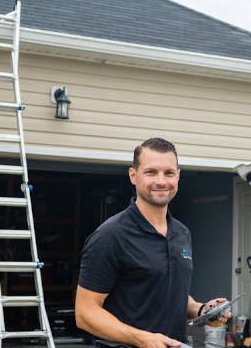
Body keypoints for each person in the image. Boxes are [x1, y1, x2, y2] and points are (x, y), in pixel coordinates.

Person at [75, 138, 230, 348]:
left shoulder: (181, 233)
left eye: (169, 173)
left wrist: (201, 310)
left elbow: (168, 292)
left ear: (178, 176)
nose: (161, 181)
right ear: (133, 175)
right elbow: (85, 314)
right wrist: (143, 338)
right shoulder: (111, 236)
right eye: (151, 172)